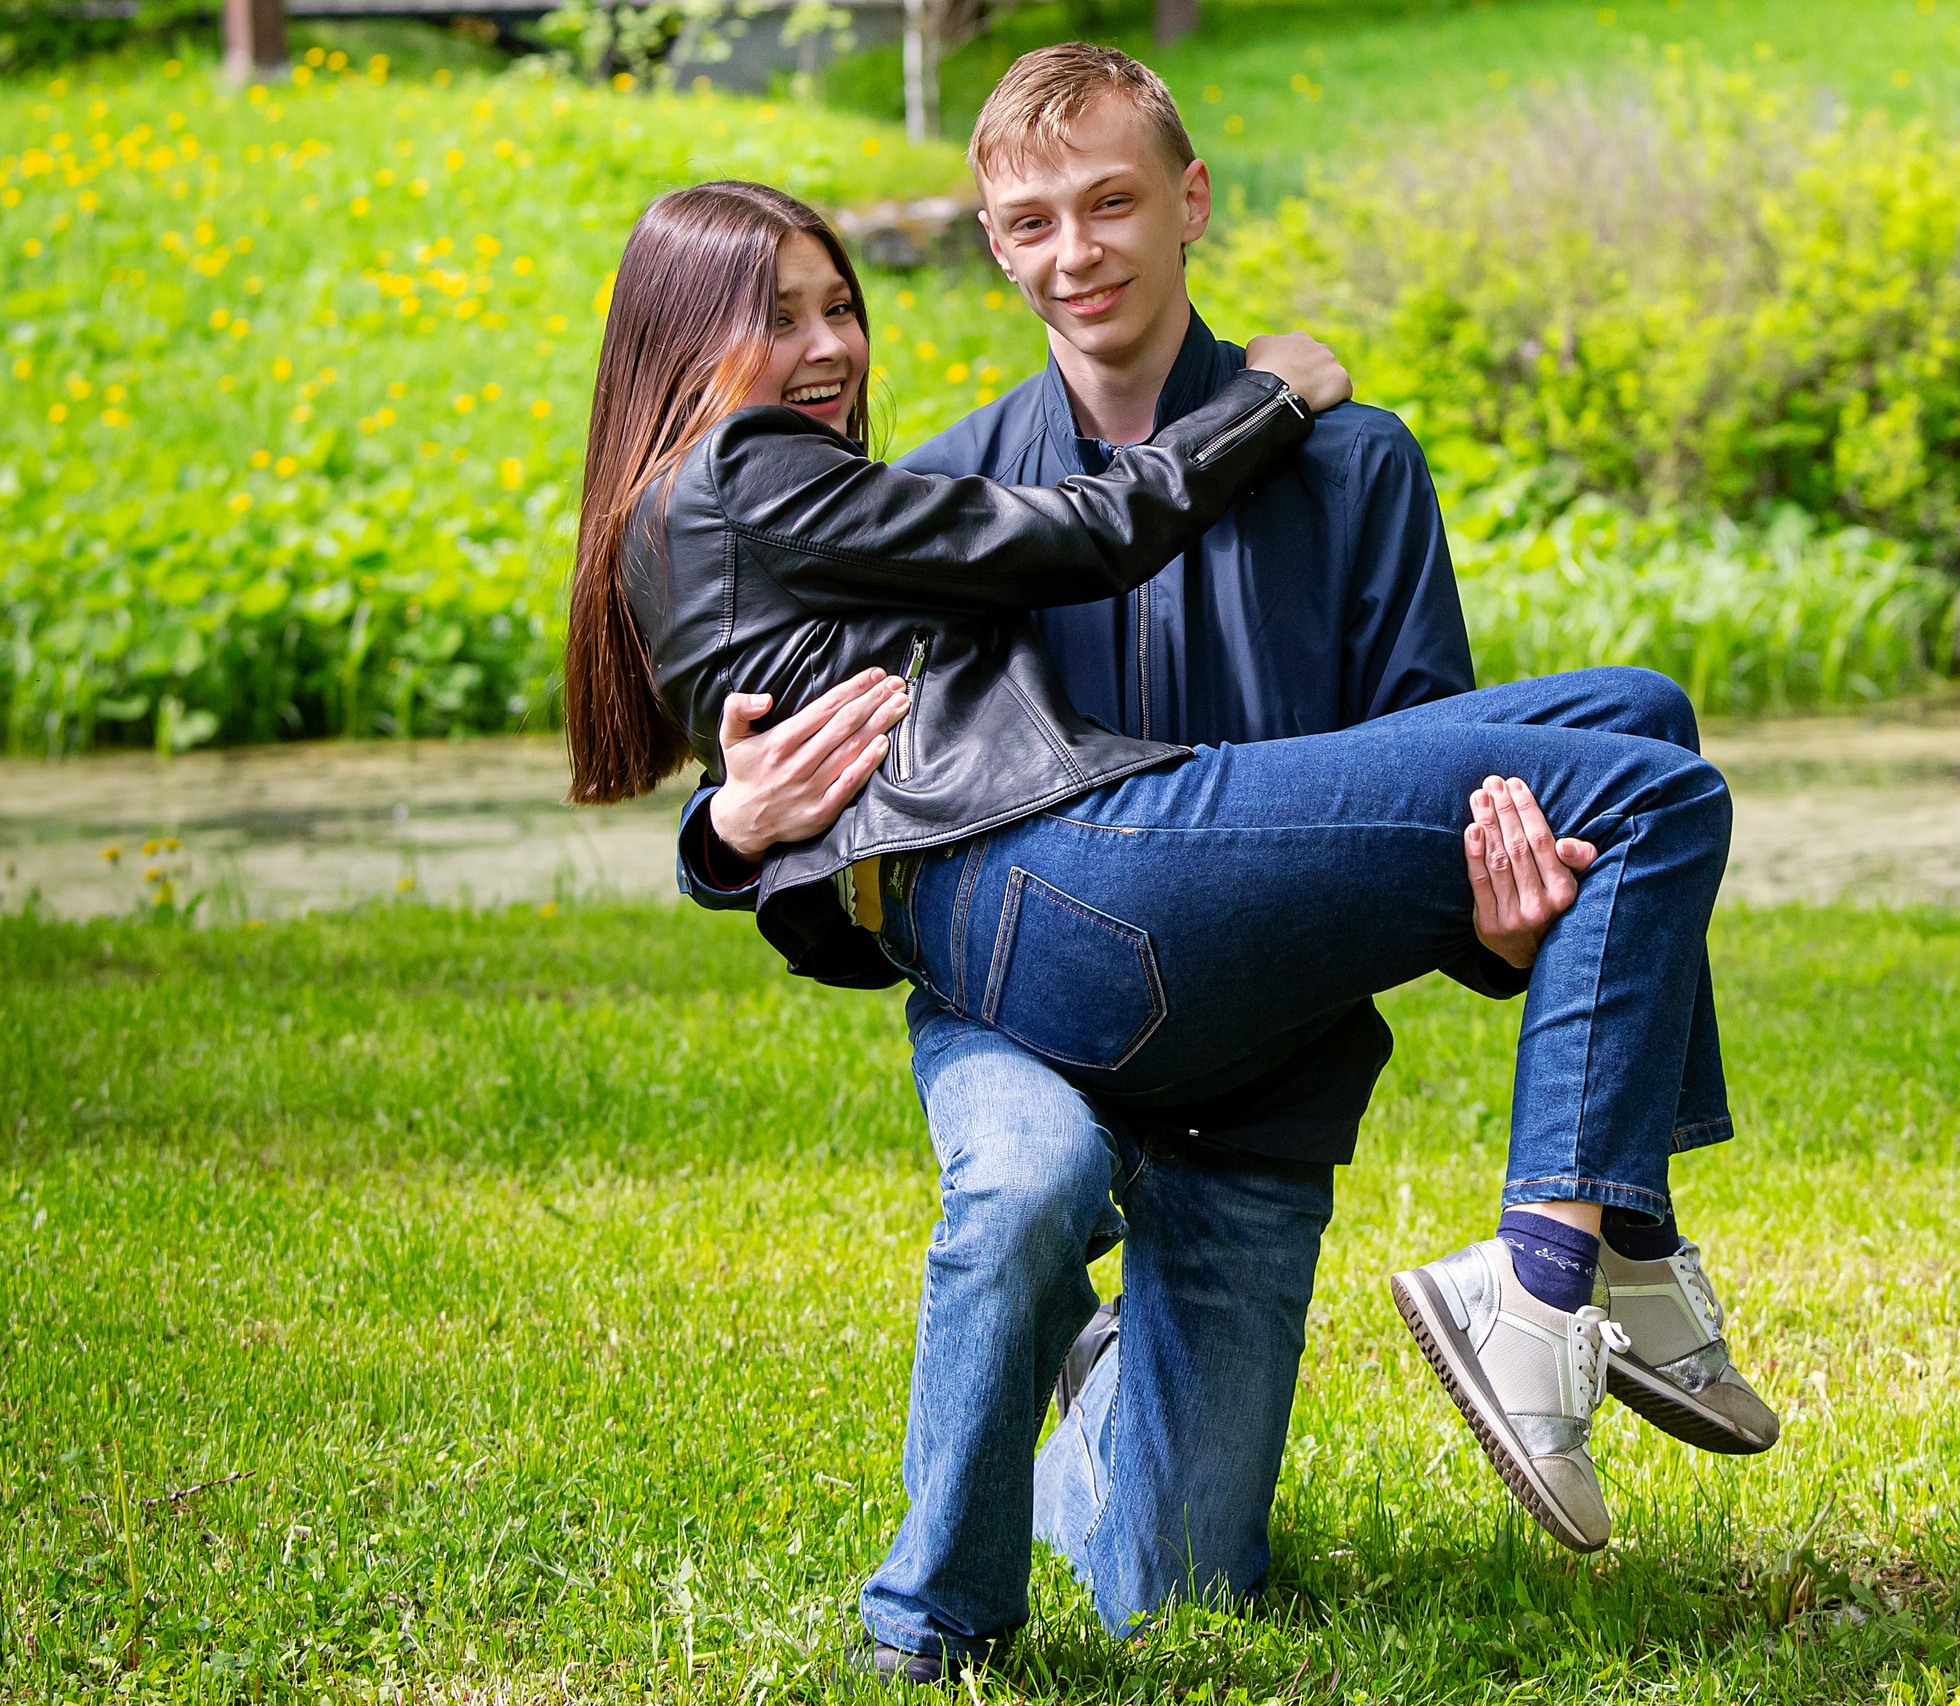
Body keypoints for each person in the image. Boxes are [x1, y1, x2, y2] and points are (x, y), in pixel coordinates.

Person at [567, 167, 1774, 1682]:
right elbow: (1082, 541)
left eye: (840, 310)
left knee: (1646, 732)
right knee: (1024, 1185)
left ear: (1189, 202)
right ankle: (1547, 1279)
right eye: (780, 318)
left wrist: (1505, 930)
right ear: (1000, 249)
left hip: (1230, 1038)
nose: (830, 351)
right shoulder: (829, 474)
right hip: (1059, 931)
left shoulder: (1355, 472)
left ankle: (1621, 1252)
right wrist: (725, 830)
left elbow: (1425, 799)